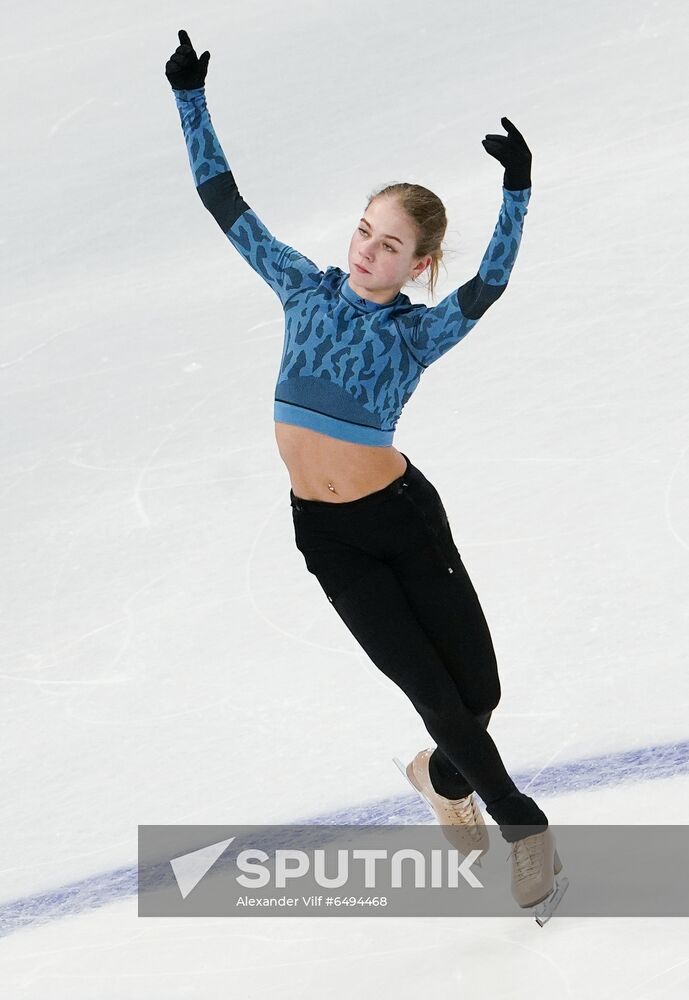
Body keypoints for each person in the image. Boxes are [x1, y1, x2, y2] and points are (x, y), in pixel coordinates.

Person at [165, 28, 564, 915]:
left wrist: (516, 192)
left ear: (417, 264)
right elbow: (223, 200)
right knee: (434, 694)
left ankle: (440, 778)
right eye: (363, 230)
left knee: (477, 695)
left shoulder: (415, 334)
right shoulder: (301, 288)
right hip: (331, 539)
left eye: (389, 246)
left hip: (403, 521)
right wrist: (189, 97)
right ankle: (523, 827)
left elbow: (488, 286)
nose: (366, 250)